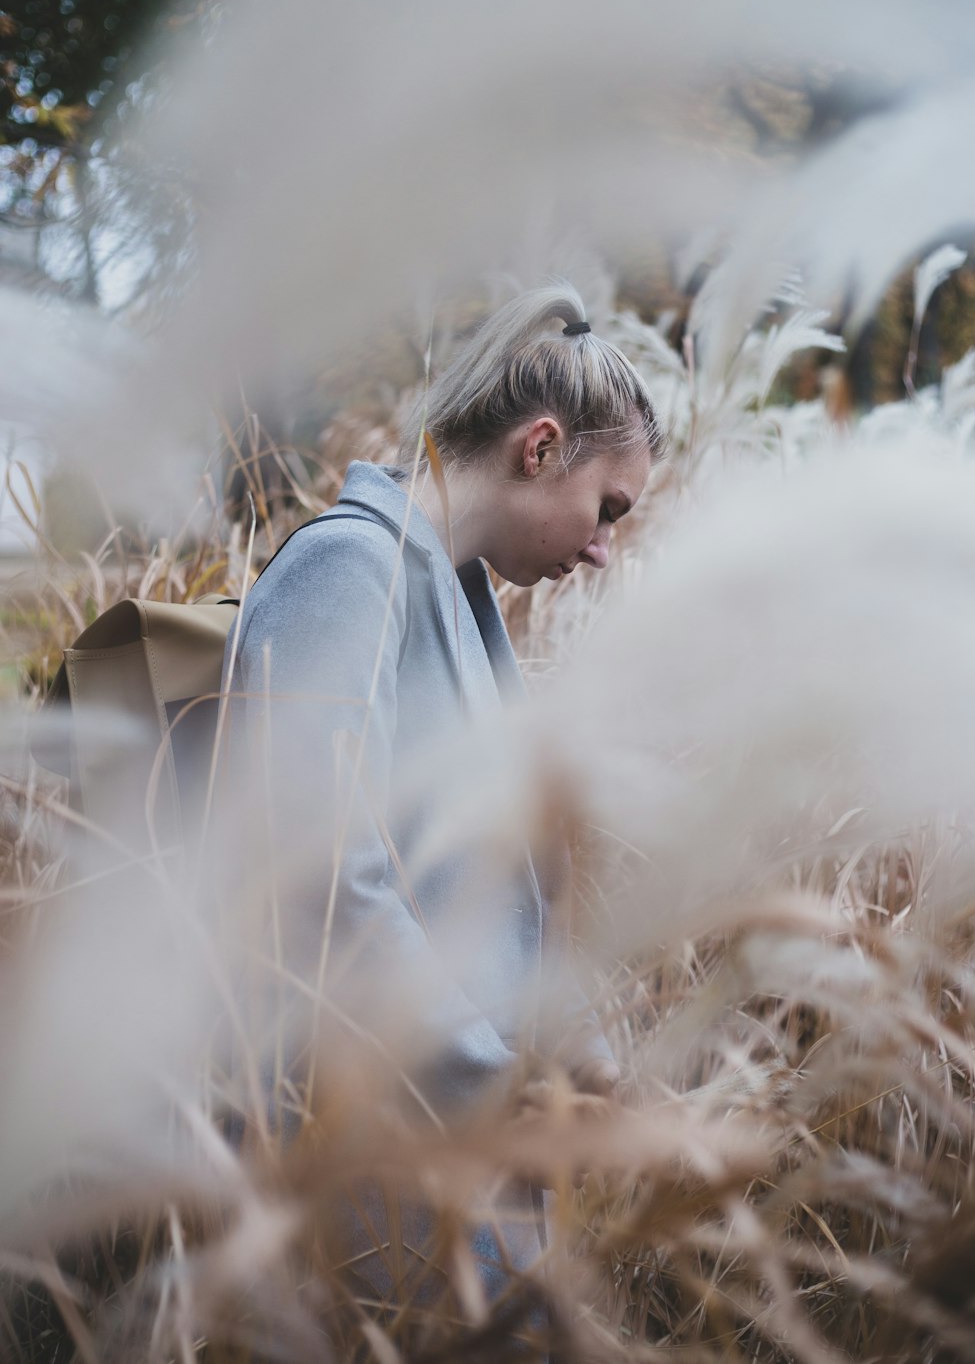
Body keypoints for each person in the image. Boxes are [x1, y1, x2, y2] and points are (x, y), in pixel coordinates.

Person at [222, 283, 662, 1340]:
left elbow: (494, 885)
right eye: (608, 508)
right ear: (540, 446)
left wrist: (591, 1058)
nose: (604, 549)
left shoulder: (459, 598)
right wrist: (500, 1082)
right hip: (373, 1157)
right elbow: (320, 875)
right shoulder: (348, 568)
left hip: (460, 1156)